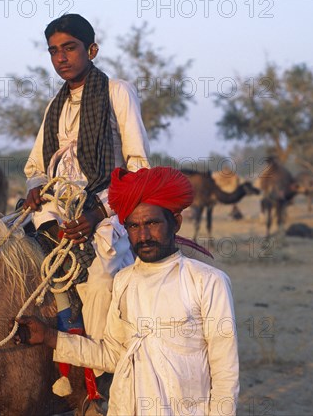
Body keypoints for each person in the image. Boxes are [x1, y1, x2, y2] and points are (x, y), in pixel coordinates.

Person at [16, 167, 240, 416]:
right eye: (133, 226)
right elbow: (114, 354)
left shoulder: (208, 281)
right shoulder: (123, 281)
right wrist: (50, 337)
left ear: (175, 222)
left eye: (152, 223)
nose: (143, 235)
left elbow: (225, 372)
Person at [22, 13, 150, 380]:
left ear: (91, 49)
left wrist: (97, 212)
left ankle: (100, 379)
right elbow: (35, 167)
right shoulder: (55, 104)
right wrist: (34, 190)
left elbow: (139, 166)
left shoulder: (117, 91)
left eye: (69, 48)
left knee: (101, 283)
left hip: (104, 212)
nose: (61, 57)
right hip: (53, 209)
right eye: (53, 51)